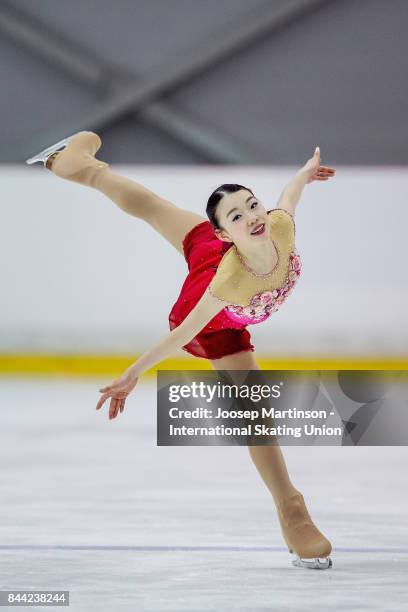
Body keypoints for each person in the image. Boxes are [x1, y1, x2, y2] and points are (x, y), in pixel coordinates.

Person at [26, 131, 336, 569]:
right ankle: (292, 509)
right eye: (236, 215)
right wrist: (133, 374)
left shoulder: (277, 225)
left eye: (252, 204)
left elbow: (289, 195)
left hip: (222, 257)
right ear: (223, 233)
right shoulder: (226, 285)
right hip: (215, 317)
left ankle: (76, 166)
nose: (252, 216)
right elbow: (182, 332)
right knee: (255, 410)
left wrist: (304, 174)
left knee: (156, 209)